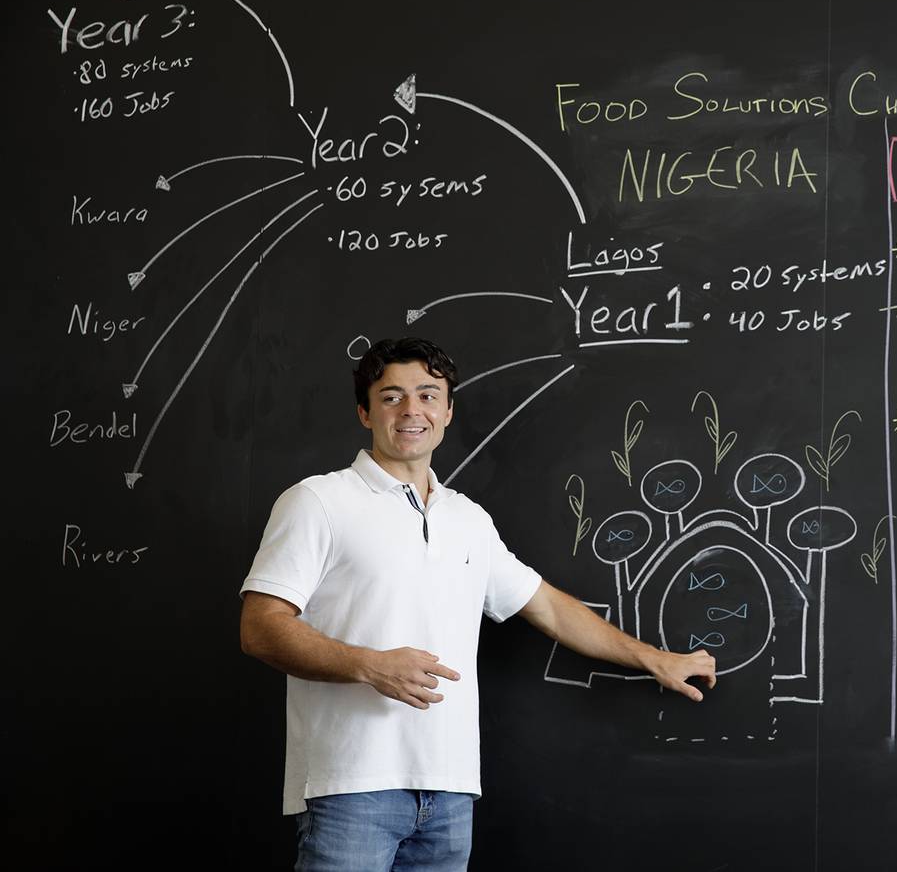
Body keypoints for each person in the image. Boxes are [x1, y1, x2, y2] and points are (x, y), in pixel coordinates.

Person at [240, 337, 716, 871]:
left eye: (427, 394)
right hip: (353, 784)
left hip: (450, 790)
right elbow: (260, 627)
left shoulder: (468, 519)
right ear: (364, 411)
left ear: (447, 410)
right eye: (391, 396)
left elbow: (550, 609)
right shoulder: (318, 501)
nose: (411, 410)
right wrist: (368, 666)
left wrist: (655, 658)